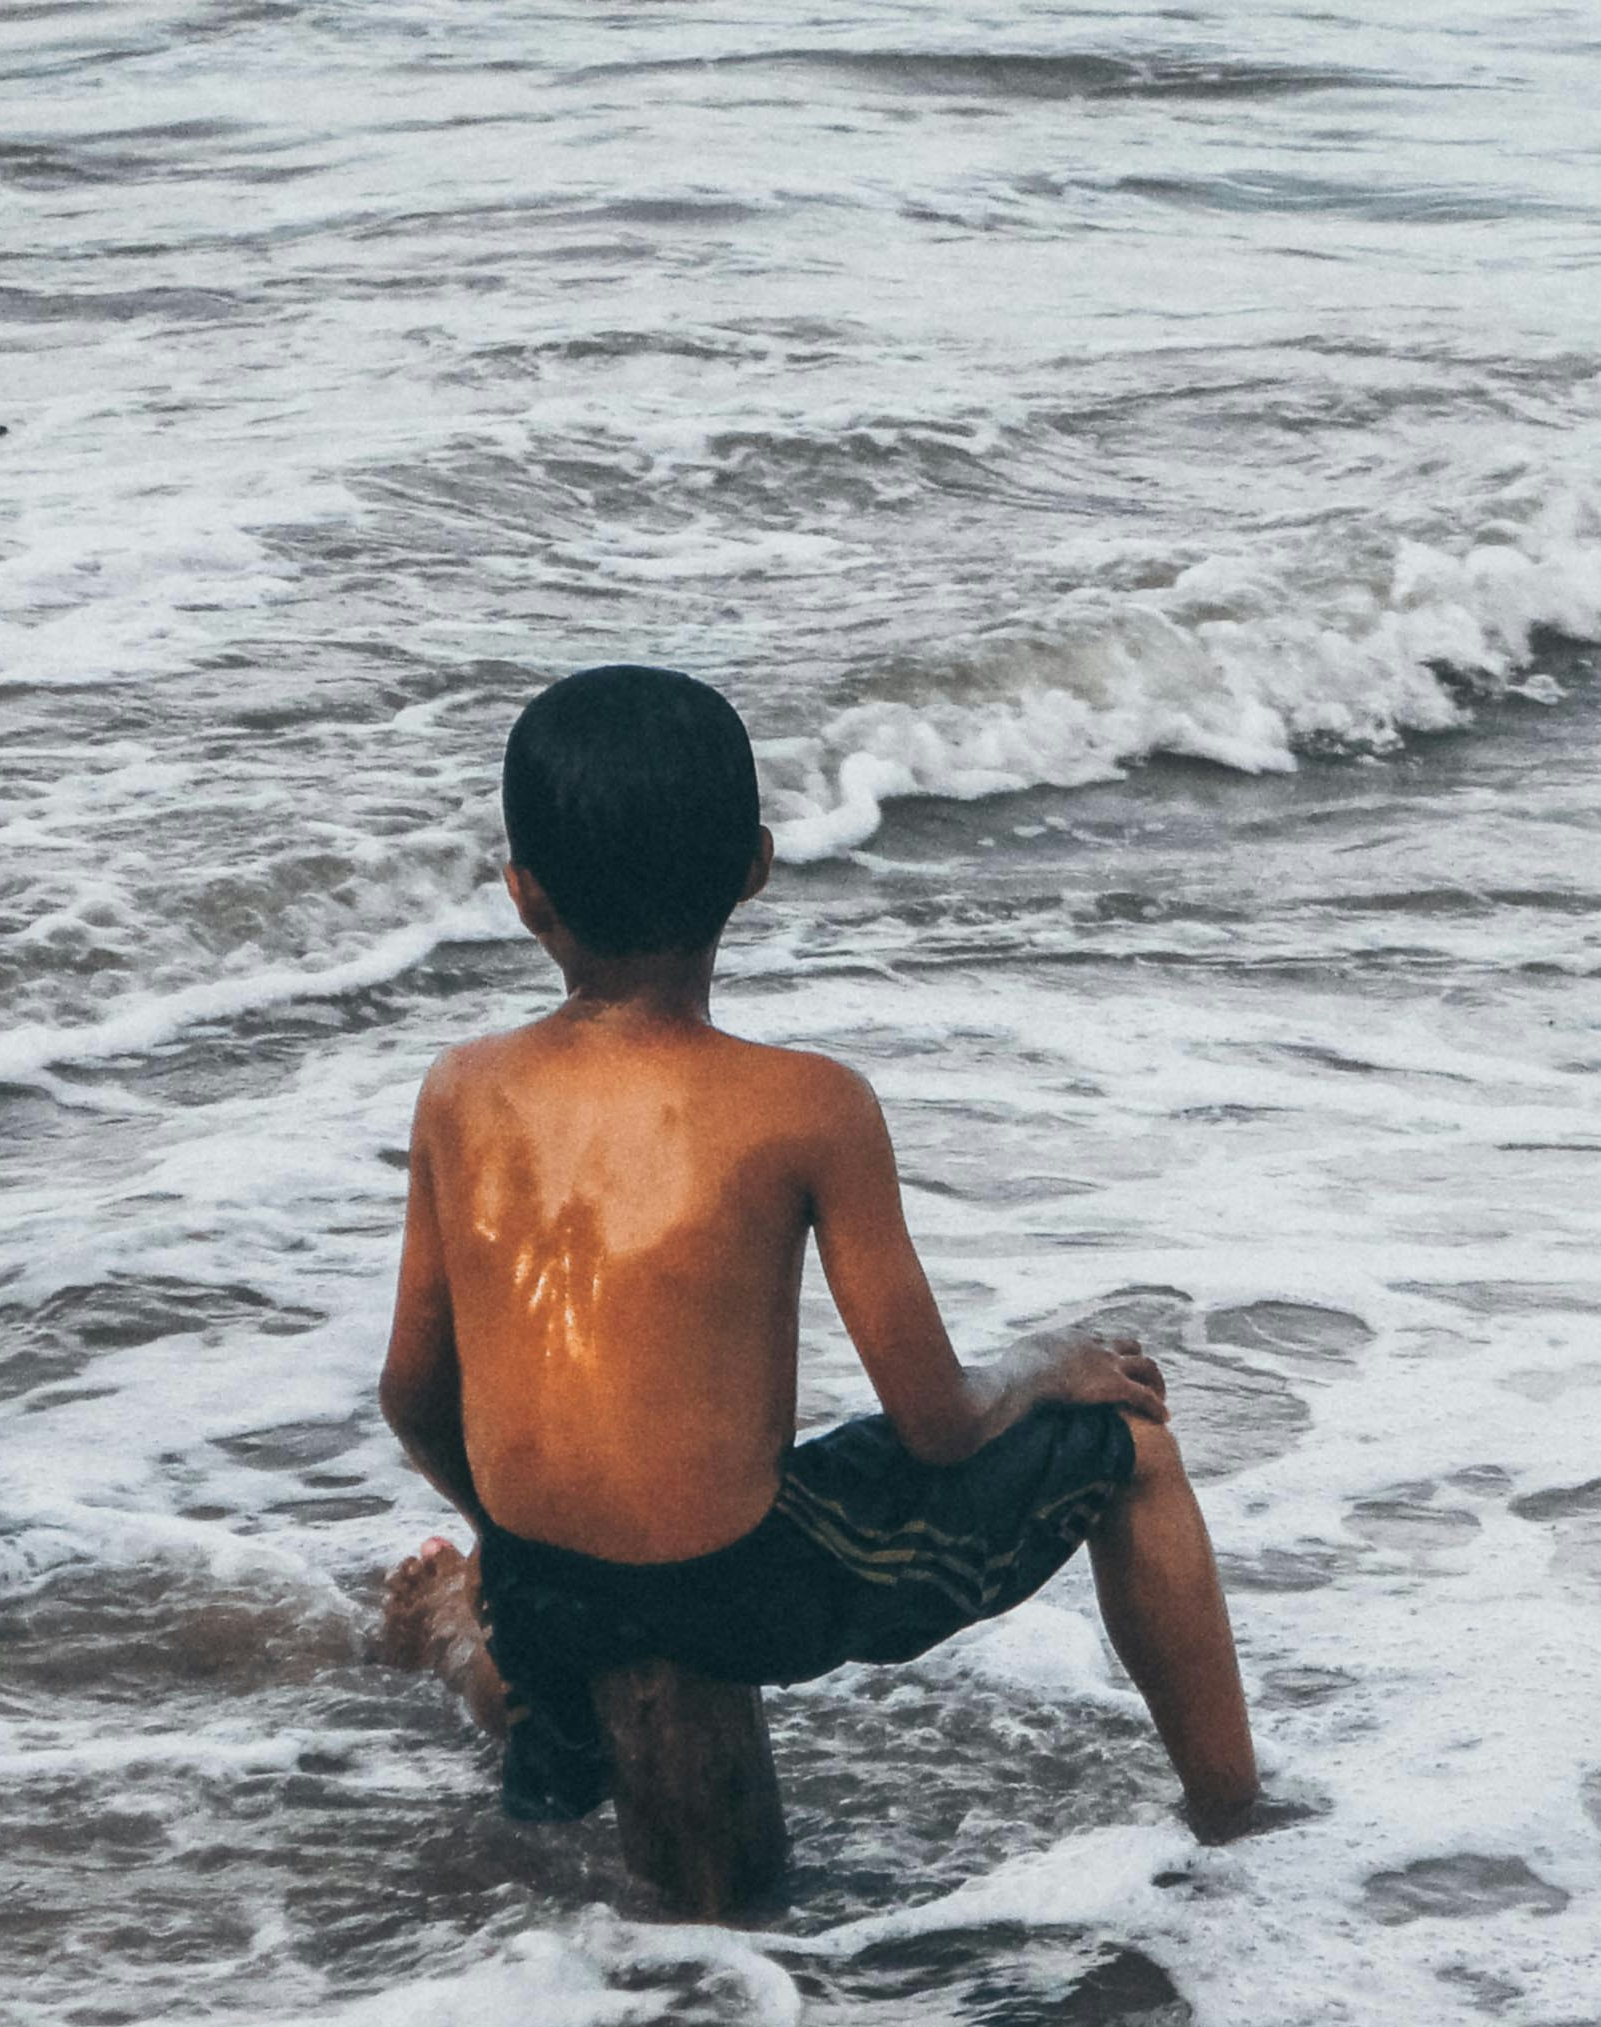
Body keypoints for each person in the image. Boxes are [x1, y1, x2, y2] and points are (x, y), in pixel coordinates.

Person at [367, 663, 1259, 1843]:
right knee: (1133, 1449)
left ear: (527, 897)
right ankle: (1236, 1815)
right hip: (740, 1592)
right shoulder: (810, 1105)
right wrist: (1049, 1364)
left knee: (566, 1664)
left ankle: (469, 1627)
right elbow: (939, 1421)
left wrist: (520, 1529)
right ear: (756, 866)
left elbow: (413, 1394)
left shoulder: (457, 1089)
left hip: (541, 1579)